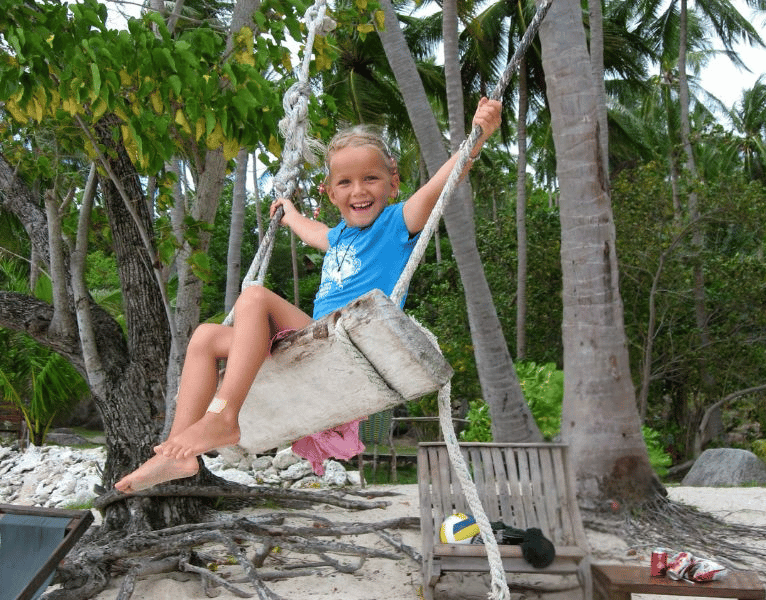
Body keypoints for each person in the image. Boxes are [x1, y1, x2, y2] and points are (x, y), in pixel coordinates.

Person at [115, 97, 502, 493]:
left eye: (370, 178)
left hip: (348, 343)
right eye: (345, 183)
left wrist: (475, 140)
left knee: (254, 298)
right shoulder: (339, 237)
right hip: (313, 341)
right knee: (204, 337)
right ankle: (176, 456)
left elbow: (443, 184)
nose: (358, 190)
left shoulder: (397, 222)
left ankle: (222, 417)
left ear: (393, 183)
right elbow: (310, 230)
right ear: (331, 193)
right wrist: (288, 212)